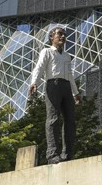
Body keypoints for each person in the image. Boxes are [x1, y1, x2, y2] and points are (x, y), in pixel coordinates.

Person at [29, 27, 81, 164]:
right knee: (53, 119)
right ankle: (52, 154)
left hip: (66, 87)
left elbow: (70, 75)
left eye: (64, 34)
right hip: (53, 85)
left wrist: (76, 93)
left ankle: (68, 154)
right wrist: (34, 82)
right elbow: (39, 67)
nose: (63, 36)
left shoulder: (67, 56)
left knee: (70, 120)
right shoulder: (46, 52)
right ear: (52, 37)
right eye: (59, 34)